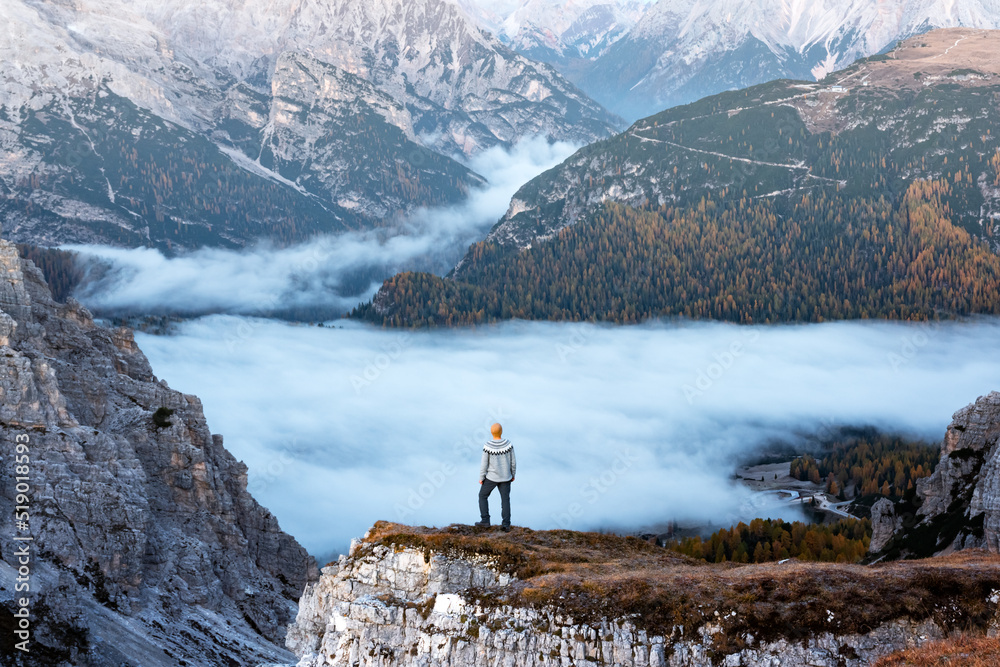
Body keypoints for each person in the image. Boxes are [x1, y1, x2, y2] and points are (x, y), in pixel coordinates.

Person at [476, 423, 515, 531]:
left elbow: (484, 463)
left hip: (491, 477)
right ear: (501, 431)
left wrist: (481, 477)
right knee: (505, 500)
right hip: (506, 477)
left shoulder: (487, 446)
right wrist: (513, 474)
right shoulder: (508, 444)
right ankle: (506, 525)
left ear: (491, 432)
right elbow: (513, 462)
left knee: (482, 496)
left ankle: (485, 521)